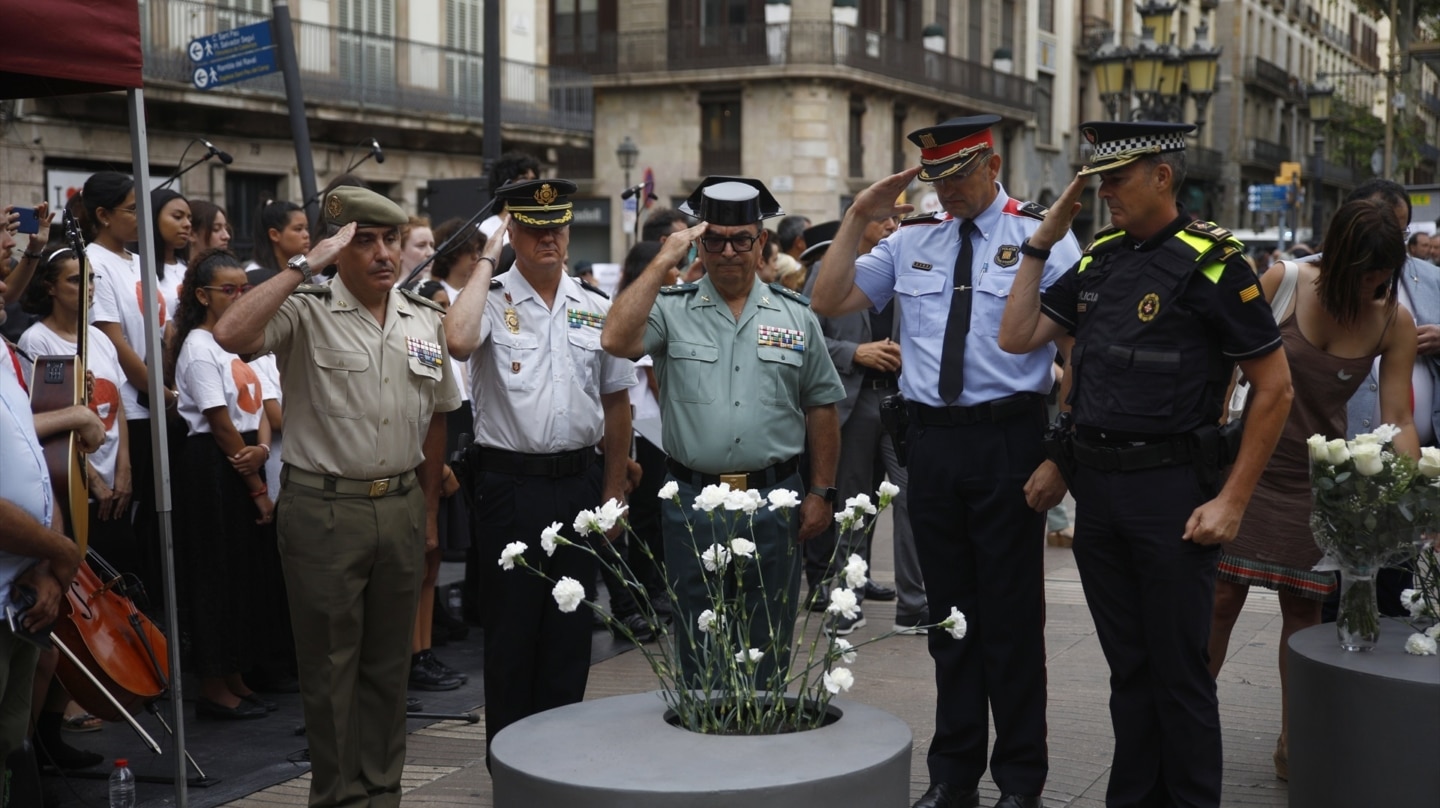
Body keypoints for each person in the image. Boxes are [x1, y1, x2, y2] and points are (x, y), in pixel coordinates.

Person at [995, 120, 1294, 808]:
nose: (1103, 195)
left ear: (1163, 176)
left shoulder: (1215, 262)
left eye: (1117, 180)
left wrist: (1234, 501)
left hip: (1171, 494)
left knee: (1179, 673)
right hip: (1100, 494)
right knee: (1128, 670)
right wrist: (1042, 241)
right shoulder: (1100, 258)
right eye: (1097, 182)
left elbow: (1275, 390)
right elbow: (1018, 339)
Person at [812, 114, 1082, 808]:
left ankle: (1020, 779)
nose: (949, 191)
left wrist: (1063, 453)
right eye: (937, 179)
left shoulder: (1039, 235)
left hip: (1009, 440)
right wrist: (858, 215)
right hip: (931, 443)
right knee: (948, 619)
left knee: (1013, 619)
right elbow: (828, 298)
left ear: (991, 165)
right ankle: (953, 774)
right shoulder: (911, 240)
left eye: (959, 175)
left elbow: (1081, 353)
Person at [213, 186, 460, 807]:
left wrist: (428, 511)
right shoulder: (306, 308)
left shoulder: (422, 318)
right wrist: (305, 264)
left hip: (400, 503)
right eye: (366, 241)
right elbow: (231, 333)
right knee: (329, 670)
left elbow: (439, 417)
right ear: (339, 247)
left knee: (388, 669)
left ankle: (382, 792)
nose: (384, 254)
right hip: (325, 510)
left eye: (392, 240)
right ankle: (337, 797)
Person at [602, 176, 844, 688]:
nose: (728, 251)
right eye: (715, 240)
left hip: (775, 499)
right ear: (700, 244)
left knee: (769, 637)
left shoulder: (796, 316)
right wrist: (664, 257)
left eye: (741, 239)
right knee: (697, 637)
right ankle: (702, 750)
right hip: (695, 500)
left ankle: (762, 750)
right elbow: (615, 338)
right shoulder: (670, 308)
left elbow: (822, 405)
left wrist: (821, 491)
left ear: (761, 243)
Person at [1207, 198, 1415, 780]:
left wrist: (1418, 491)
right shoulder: (1284, 280)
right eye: (1367, 272)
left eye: (1385, 274)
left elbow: (1398, 413)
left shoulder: (1390, 317)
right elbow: (1227, 366)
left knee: (1303, 611)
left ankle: (1294, 740)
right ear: (1342, 257)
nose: (1375, 283)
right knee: (1219, 602)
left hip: (1315, 479)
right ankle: (1186, 727)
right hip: (1245, 468)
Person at [443, 178, 635, 762]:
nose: (548, 237)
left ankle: (558, 768)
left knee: (569, 634)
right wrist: (485, 259)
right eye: (532, 227)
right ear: (513, 233)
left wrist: (612, 497)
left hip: (579, 485)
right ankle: (512, 770)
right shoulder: (490, 299)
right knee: (511, 637)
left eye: (557, 226)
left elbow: (617, 404)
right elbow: (456, 341)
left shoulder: (594, 306)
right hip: (509, 487)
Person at [801, 216, 927, 634]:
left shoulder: (911, 263)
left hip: (902, 398)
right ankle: (848, 602)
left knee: (912, 498)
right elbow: (804, 335)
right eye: (884, 218)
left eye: (896, 218)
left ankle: (915, 604)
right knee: (852, 503)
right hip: (850, 400)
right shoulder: (830, 271)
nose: (891, 224)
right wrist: (854, 352)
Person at [169, 249, 276, 720]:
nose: (238, 297)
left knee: (240, 573)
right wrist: (256, 486)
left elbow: (258, 402)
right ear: (202, 295)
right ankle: (213, 685)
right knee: (215, 573)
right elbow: (219, 422)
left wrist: (263, 450)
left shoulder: (236, 341)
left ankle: (235, 674)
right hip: (213, 464)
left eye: (243, 289)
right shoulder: (197, 346)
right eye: (228, 290)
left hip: (246, 452)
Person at [83, 171, 173, 603]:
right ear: (102, 215)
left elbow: (159, 332)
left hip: (161, 400)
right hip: (136, 409)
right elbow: (114, 342)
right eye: (133, 209)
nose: (142, 218)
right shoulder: (94, 263)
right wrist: (158, 390)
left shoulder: (140, 261)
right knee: (138, 520)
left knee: (165, 521)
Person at [478, 151, 541, 245]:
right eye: (523, 179)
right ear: (505, 184)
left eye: (533, 180)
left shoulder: (541, 226)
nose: (530, 185)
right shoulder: (483, 230)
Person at [245, 200, 310, 286]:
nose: (306, 235)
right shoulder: (253, 275)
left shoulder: (311, 272)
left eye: (306, 228)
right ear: (274, 235)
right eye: (298, 229)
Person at [150, 188, 192, 318]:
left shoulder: (189, 268)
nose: (187, 224)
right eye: (177, 217)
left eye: (189, 219)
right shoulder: (139, 269)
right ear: (153, 218)